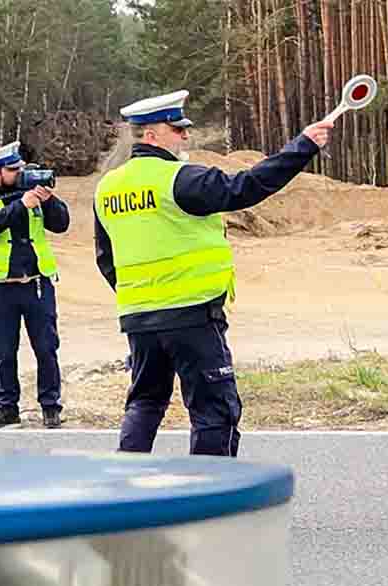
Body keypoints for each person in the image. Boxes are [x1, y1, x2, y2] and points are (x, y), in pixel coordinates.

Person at [94, 90, 332, 456]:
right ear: (151, 135)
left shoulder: (107, 187)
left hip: (138, 319)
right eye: (177, 129)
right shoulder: (178, 179)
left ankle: (123, 490)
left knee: (144, 404)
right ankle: (208, 495)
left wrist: (142, 295)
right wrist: (302, 146)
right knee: (214, 411)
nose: (185, 136)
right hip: (192, 314)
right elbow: (247, 187)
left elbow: (105, 258)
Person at [0, 141, 69, 429]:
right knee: (4, 350)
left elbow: (61, 224)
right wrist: (20, 205)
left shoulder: (34, 195)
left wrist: (48, 200)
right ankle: (7, 407)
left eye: (21, 167)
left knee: (46, 347)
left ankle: (50, 406)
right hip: (1, 288)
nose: (20, 174)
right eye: (13, 170)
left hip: (37, 284)